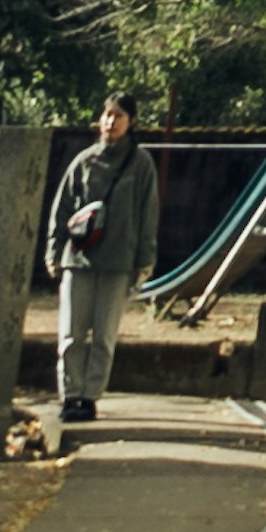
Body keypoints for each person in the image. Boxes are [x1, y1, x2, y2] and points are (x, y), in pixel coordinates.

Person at [45, 97, 159, 436]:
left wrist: (145, 259)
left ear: (132, 122)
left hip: (118, 261)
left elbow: (148, 214)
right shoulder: (82, 161)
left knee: (104, 335)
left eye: (119, 116)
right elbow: (61, 208)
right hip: (78, 259)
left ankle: (90, 396)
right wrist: (53, 252)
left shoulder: (141, 164)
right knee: (70, 334)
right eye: (107, 115)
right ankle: (70, 395)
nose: (111, 122)